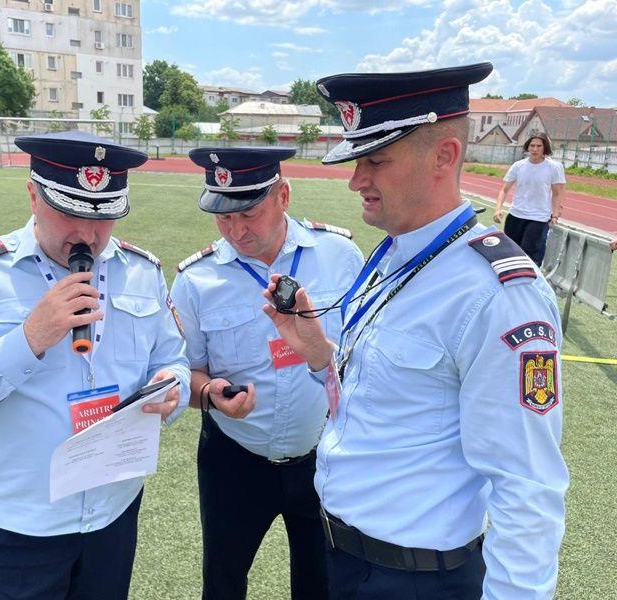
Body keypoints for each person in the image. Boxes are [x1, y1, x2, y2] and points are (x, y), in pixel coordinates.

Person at [262, 63, 569, 599]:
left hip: (415, 579)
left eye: (376, 160)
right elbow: (386, 396)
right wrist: (320, 355)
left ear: (444, 156)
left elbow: (528, 486)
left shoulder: (497, 294)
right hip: (344, 556)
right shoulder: (395, 255)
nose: (356, 179)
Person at [0, 132, 190, 600]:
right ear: (33, 196)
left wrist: (172, 386)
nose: (87, 235)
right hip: (22, 525)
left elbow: (172, 359)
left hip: (113, 512)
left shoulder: (142, 270)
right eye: (70, 212)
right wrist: (28, 340)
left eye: (102, 217)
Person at [170, 147, 364, 600]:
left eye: (249, 214)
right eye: (223, 218)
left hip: (324, 455)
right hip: (234, 459)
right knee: (223, 581)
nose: (236, 231)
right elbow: (186, 371)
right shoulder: (196, 279)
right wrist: (211, 393)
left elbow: (361, 357)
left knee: (321, 584)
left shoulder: (340, 255)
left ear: (284, 196)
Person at [493, 132, 566, 265]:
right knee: (510, 255)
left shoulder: (554, 167)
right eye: (532, 145)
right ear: (527, 147)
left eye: (539, 146)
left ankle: (531, 277)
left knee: (529, 258)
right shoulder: (518, 166)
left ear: (545, 148)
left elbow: (557, 193)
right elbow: (504, 190)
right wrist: (498, 209)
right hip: (516, 215)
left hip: (538, 218)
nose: (535, 149)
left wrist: (555, 215)